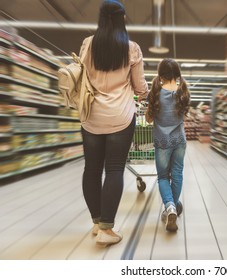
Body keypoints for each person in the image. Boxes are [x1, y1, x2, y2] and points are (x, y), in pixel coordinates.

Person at [79, 0, 148, 246]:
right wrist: (144, 92)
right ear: (123, 19)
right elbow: (140, 88)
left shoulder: (88, 44)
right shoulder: (132, 49)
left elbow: (83, 75)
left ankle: (97, 224)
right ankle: (108, 229)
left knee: (92, 169)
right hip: (120, 116)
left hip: (91, 116)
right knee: (115, 169)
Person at [146, 58, 190, 232]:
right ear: (177, 74)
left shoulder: (155, 93)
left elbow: (149, 119)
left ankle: (170, 206)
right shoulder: (183, 92)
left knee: (163, 177)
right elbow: (183, 116)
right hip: (179, 141)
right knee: (177, 174)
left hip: (162, 142)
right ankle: (173, 206)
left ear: (161, 75)